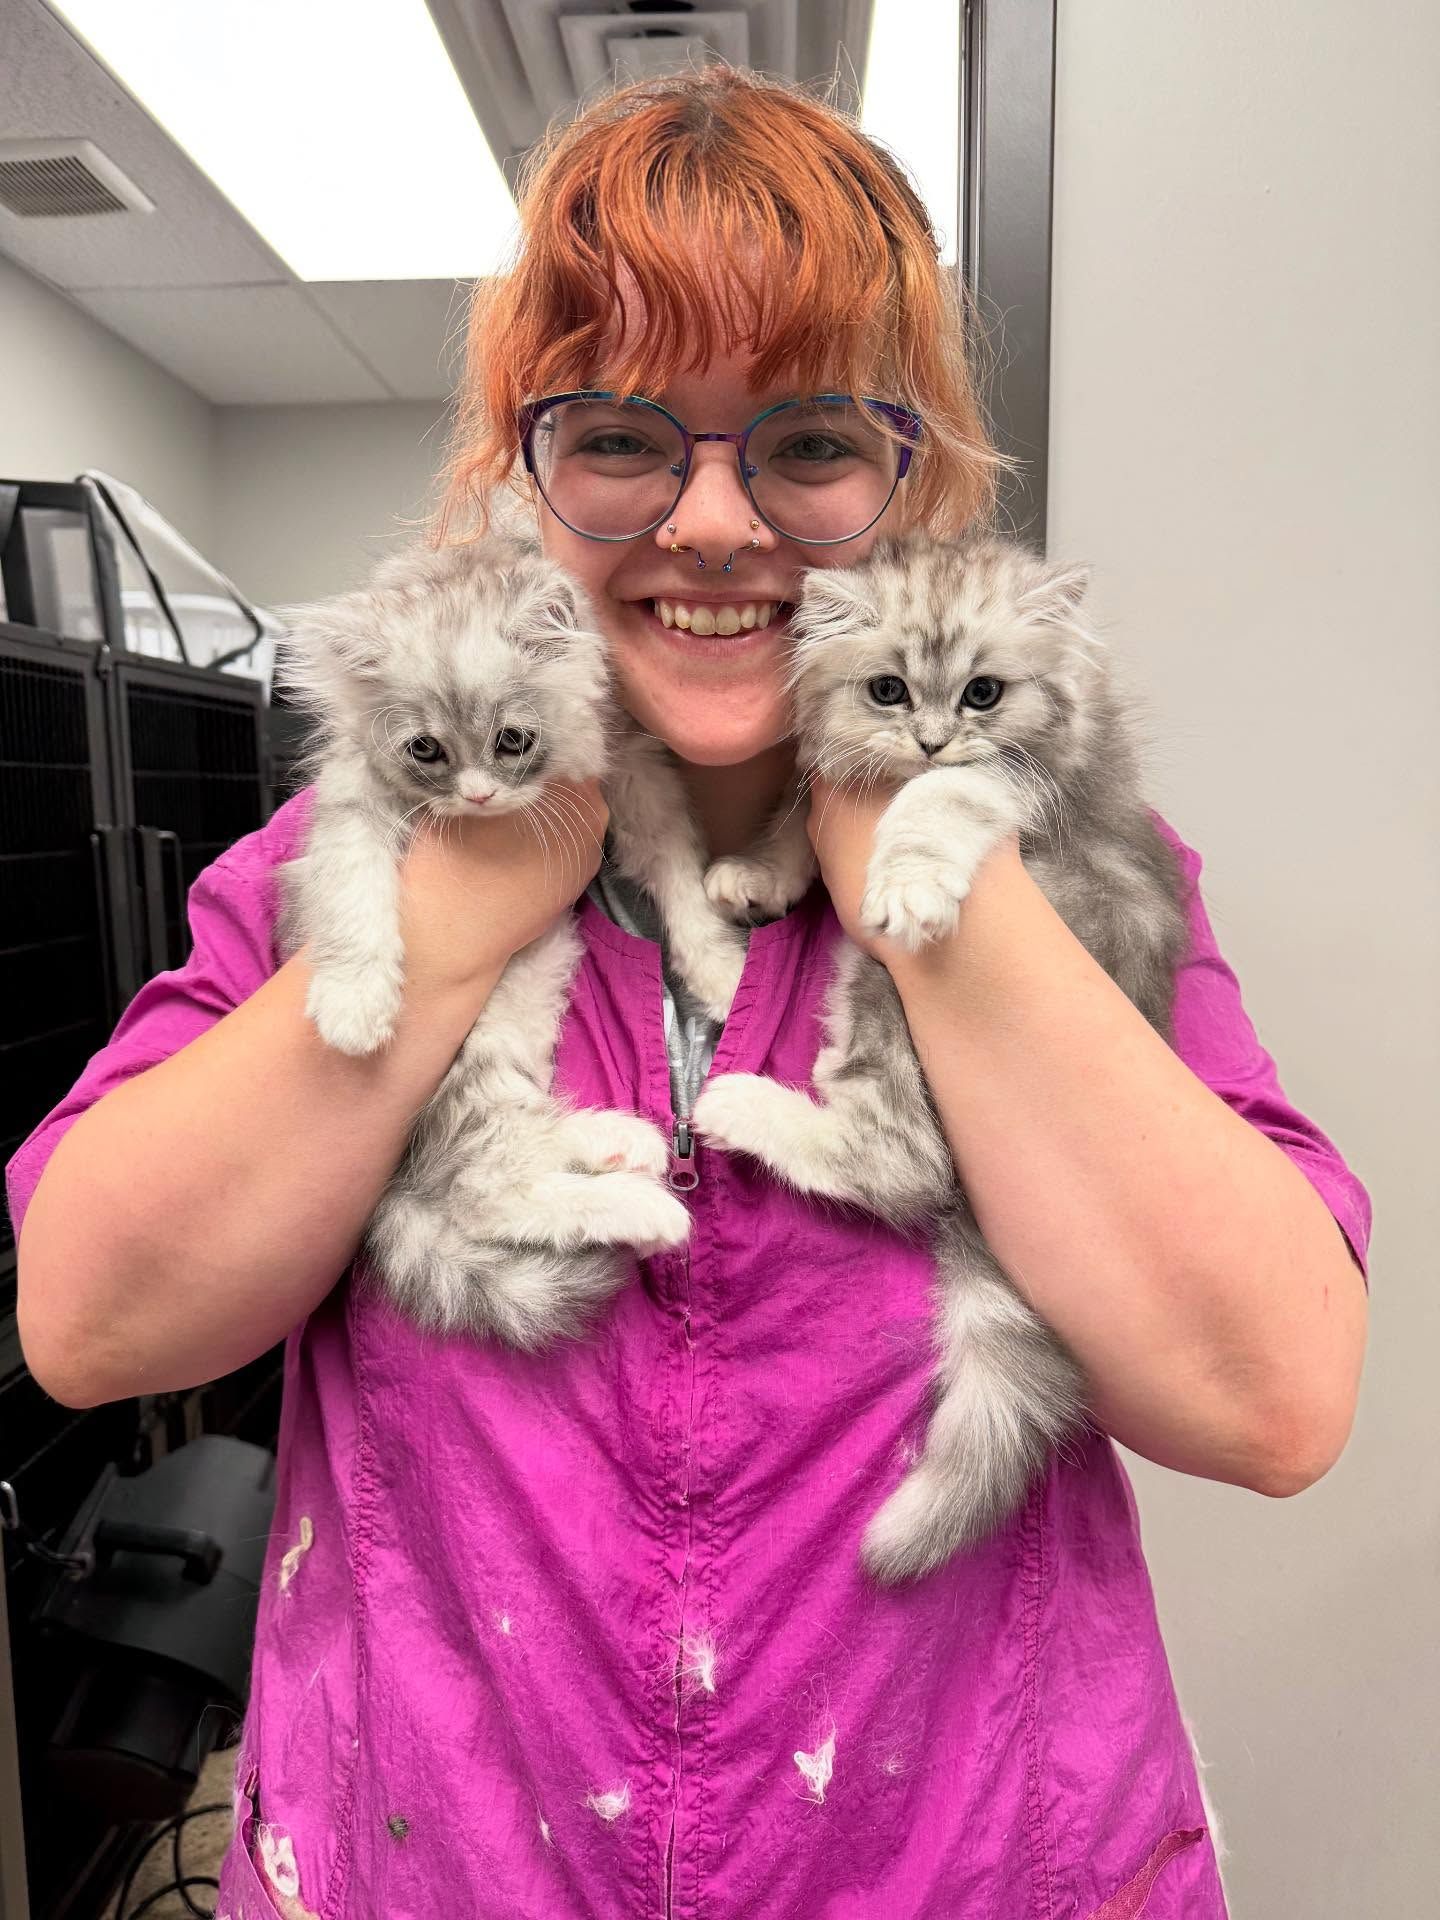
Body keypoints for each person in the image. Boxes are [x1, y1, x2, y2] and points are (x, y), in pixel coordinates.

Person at [8, 67, 1370, 1920]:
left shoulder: (1075, 855)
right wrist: (470, 903)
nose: (715, 523)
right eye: (626, 438)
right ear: (524, 474)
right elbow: (95, 1322)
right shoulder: (348, 850)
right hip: (446, 1862)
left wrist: (928, 881)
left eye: (806, 442)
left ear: (914, 480)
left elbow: (1268, 1395)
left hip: (975, 1866)